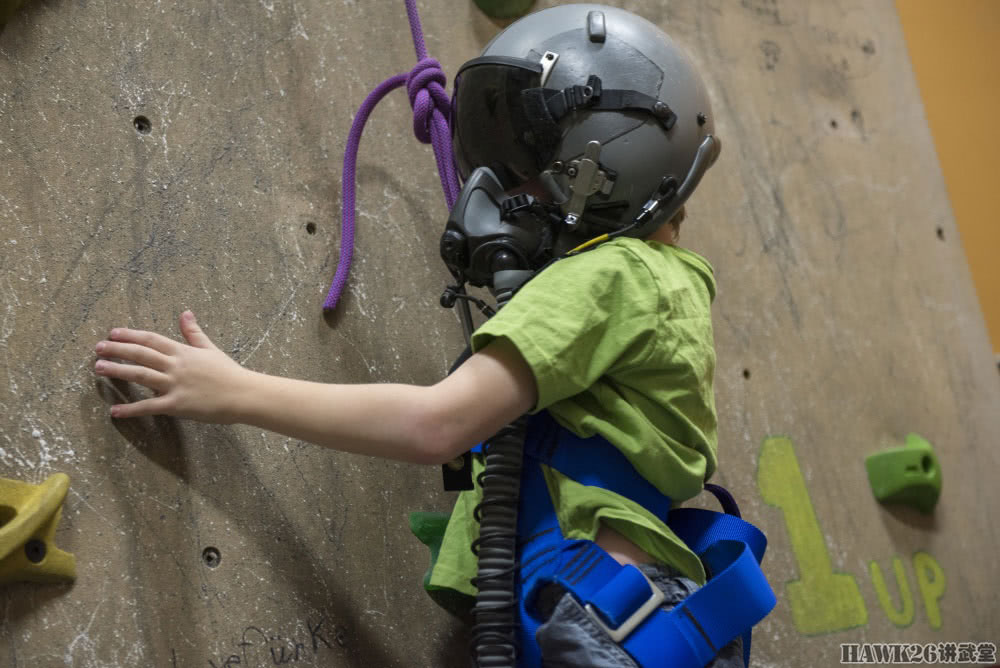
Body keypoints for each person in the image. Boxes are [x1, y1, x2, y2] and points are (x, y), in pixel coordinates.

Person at [95, 5, 768, 666]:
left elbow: (434, 426)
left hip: (604, 628)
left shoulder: (613, 275)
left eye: (525, 168)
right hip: (611, 623)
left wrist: (232, 390)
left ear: (615, 161)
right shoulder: (658, 286)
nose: (502, 192)